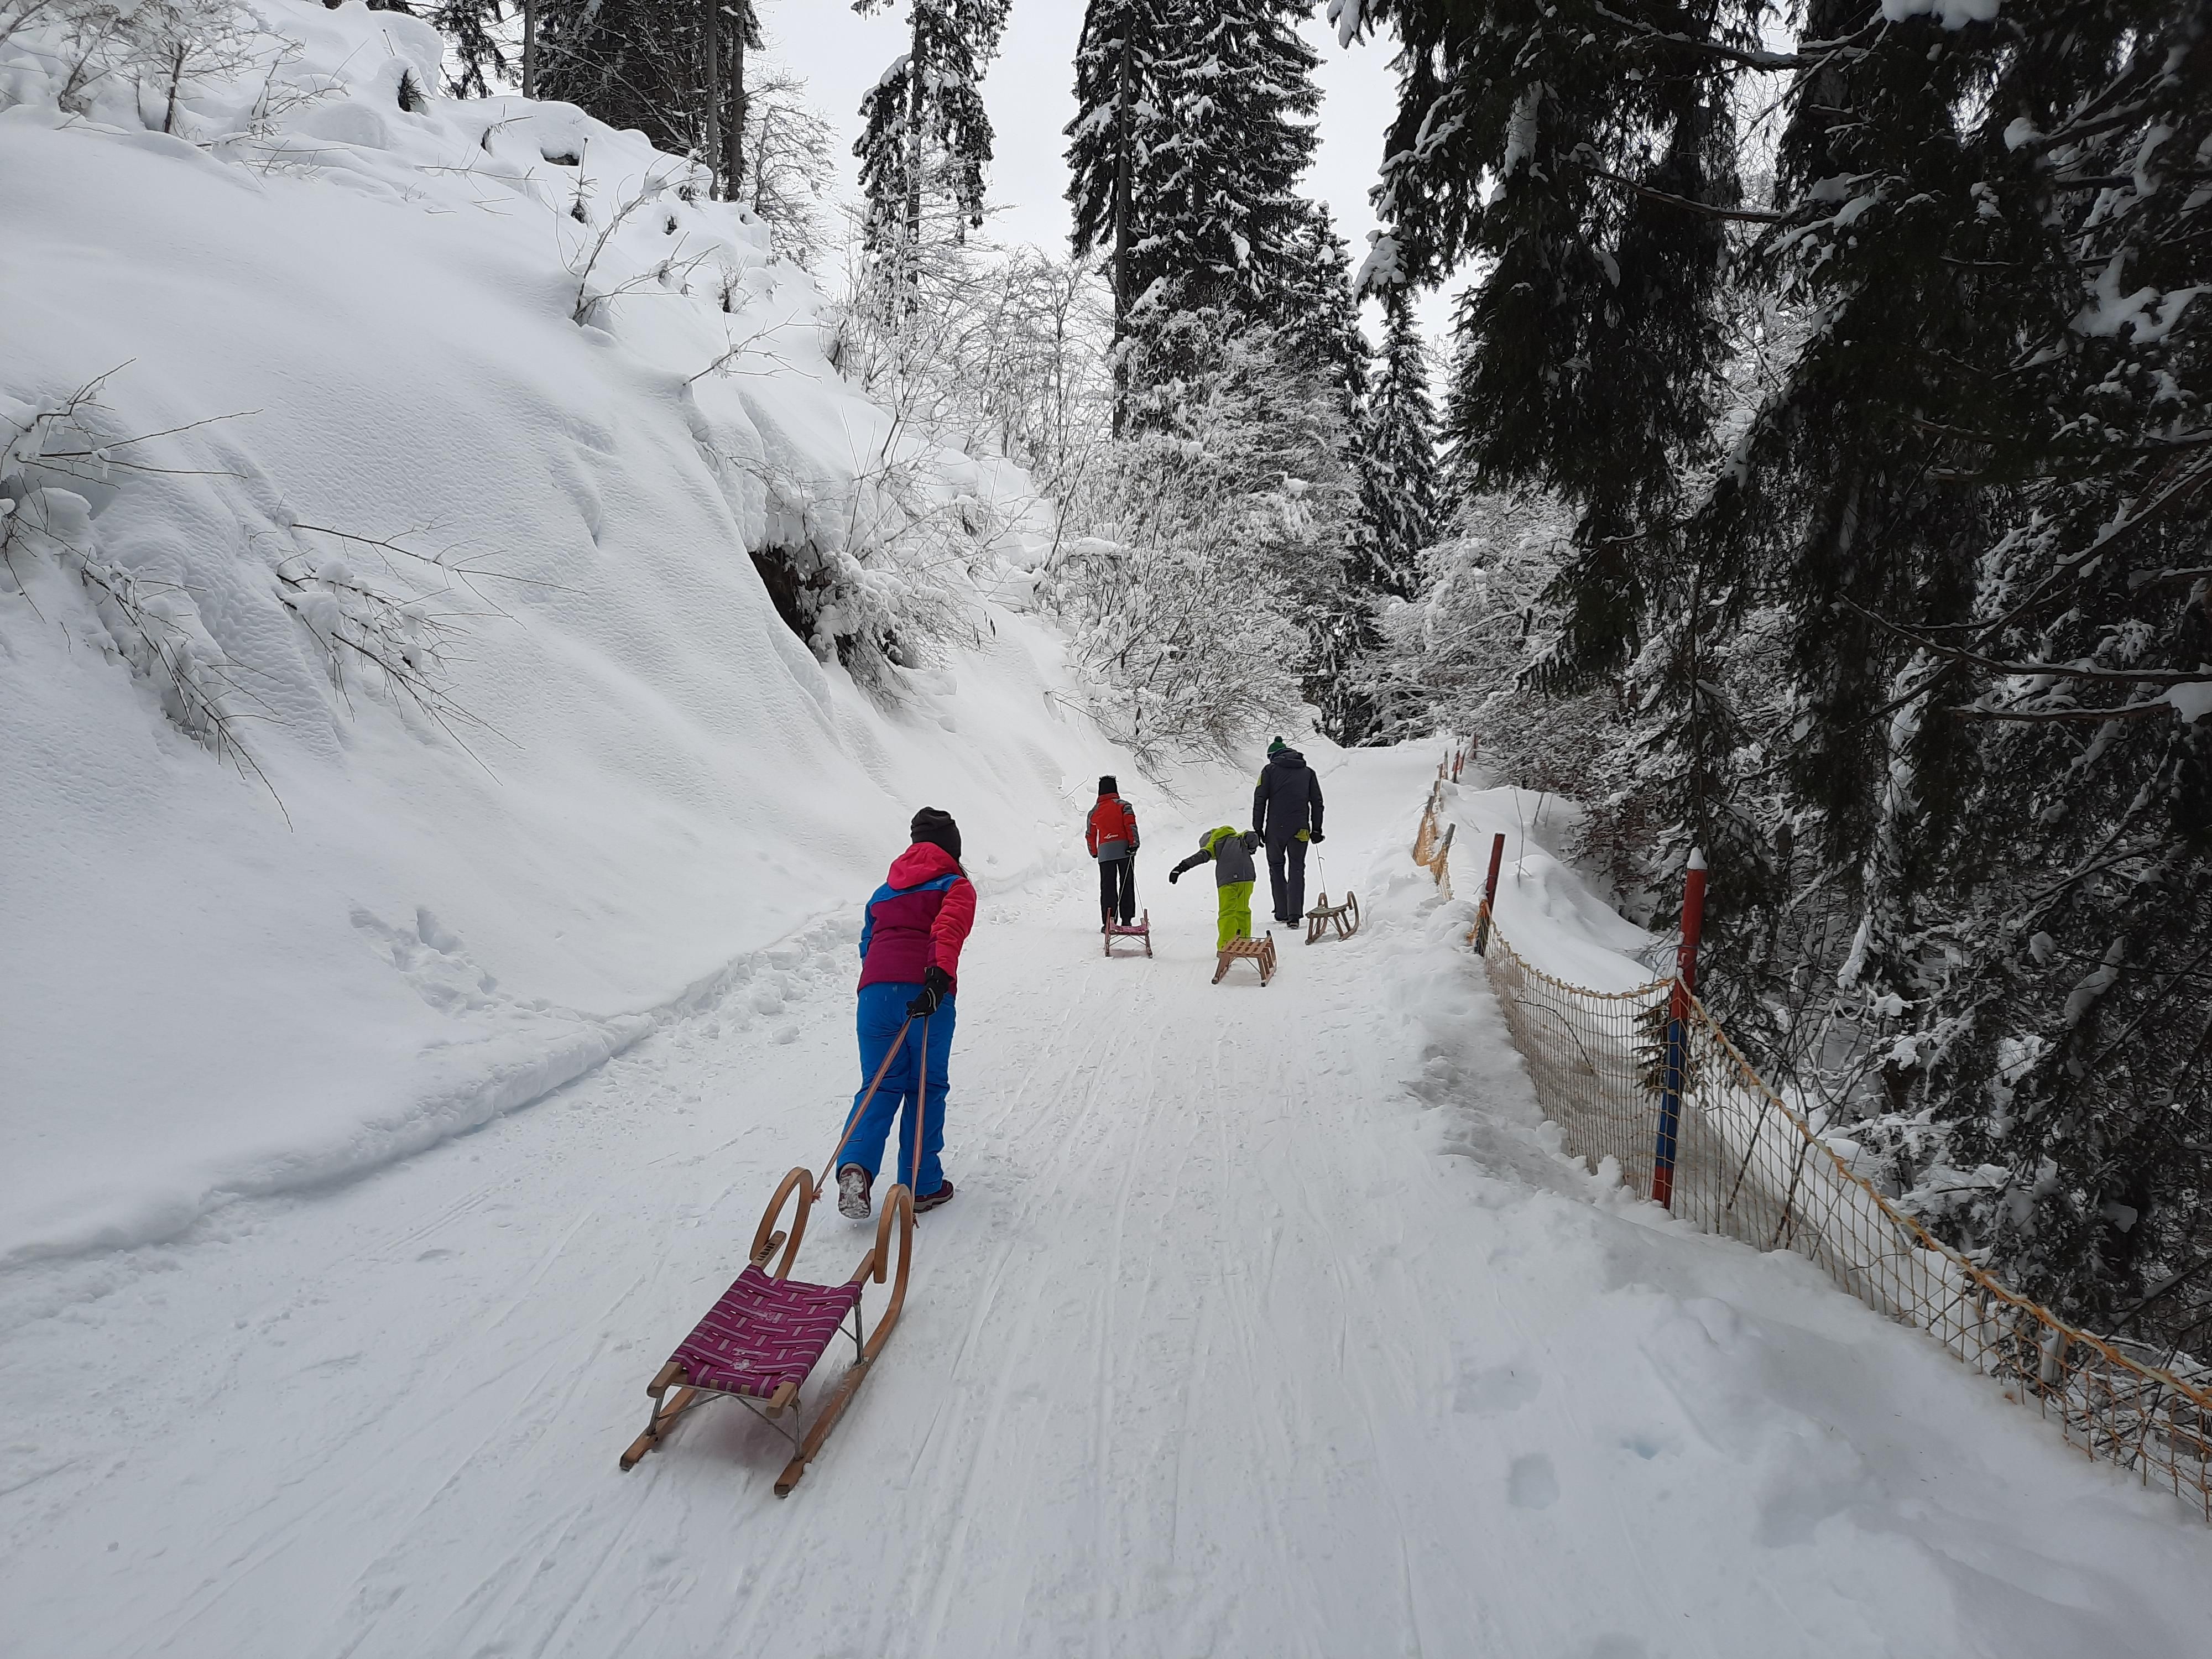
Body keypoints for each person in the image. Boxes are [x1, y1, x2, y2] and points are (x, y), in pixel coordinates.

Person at [837, 807, 974, 1220]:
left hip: (874, 995)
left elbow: (868, 943)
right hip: (926, 990)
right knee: (925, 1086)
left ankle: (855, 1167)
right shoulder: (955, 886)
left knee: (878, 1084)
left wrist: (884, 983)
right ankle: (922, 1184)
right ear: (952, 848)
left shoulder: (883, 892)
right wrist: (936, 978)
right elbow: (948, 930)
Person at [1251, 737, 1324, 925]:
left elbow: (1260, 800)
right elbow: (1317, 802)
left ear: (1273, 756)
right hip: (1301, 829)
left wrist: (1257, 828)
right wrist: (1317, 829)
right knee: (1297, 867)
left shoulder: (1269, 771)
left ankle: (1282, 912)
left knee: (1276, 866)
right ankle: (1294, 916)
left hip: (1275, 829)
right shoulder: (1308, 773)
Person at [1167, 825, 1262, 950]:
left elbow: (1202, 856)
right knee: (1242, 910)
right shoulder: (1239, 838)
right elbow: (1252, 837)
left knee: (1228, 913)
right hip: (1247, 878)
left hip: (1228, 880)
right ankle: (1243, 943)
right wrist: (1251, 848)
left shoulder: (1216, 842)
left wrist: (1182, 867)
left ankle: (1226, 947)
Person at [1087, 774, 1141, 930]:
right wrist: (1134, 844)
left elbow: (1090, 834)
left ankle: (1109, 922)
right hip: (1125, 850)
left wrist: (1094, 851)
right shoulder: (1124, 806)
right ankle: (1127, 920)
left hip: (1105, 852)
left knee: (1108, 887)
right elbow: (1130, 825)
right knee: (1126, 883)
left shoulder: (1094, 811)